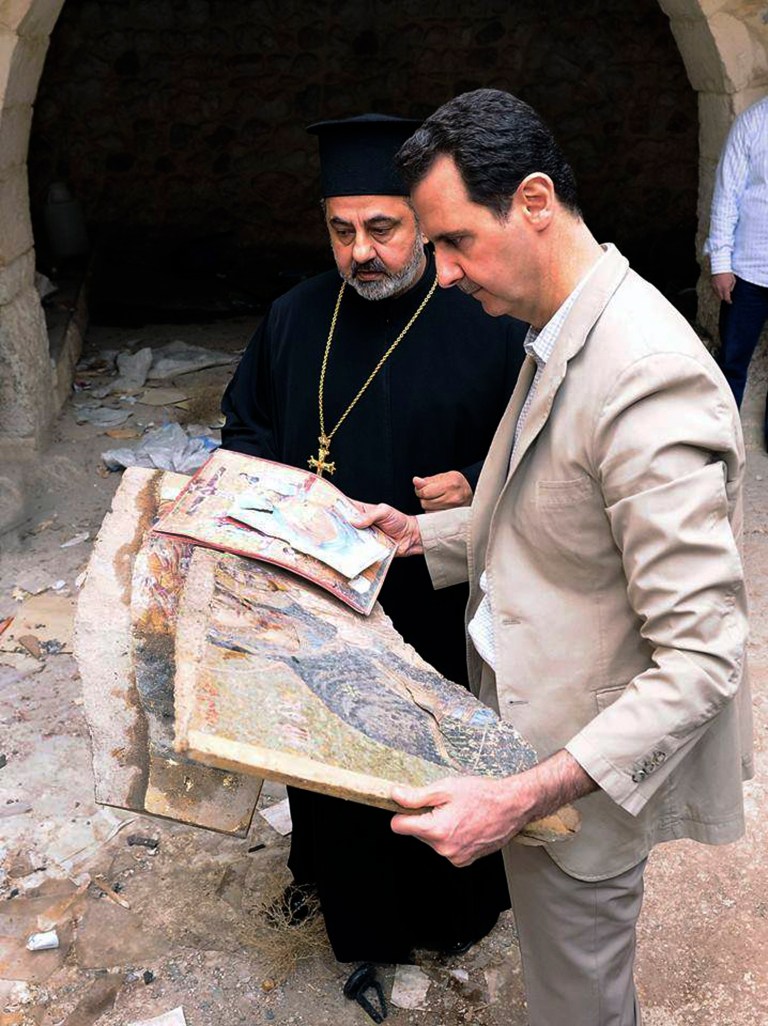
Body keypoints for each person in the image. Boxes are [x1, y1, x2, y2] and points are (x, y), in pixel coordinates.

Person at [357, 89, 753, 1025]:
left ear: (534, 202)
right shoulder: (564, 319)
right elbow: (566, 520)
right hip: (536, 738)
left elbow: (701, 658)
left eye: (453, 241)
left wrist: (523, 794)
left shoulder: (646, 376)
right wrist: (422, 534)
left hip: (578, 774)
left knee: (579, 1006)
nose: (442, 273)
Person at [221, 113, 527, 966]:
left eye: (383, 229)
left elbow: (538, 442)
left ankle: (446, 910)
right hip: (317, 596)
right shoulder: (293, 316)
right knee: (325, 749)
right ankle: (342, 896)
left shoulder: (487, 317)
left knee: (430, 753)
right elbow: (243, 425)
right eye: (342, 230)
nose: (362, 252)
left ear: (422, 223)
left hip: (433, 598)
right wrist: (268, 492)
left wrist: (475, 475)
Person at [705, 95, 768, 447]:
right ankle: (720, 441)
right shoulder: (753, 123)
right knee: (731, 360)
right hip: (748, 270)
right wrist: (721, 264)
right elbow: (726, 196)